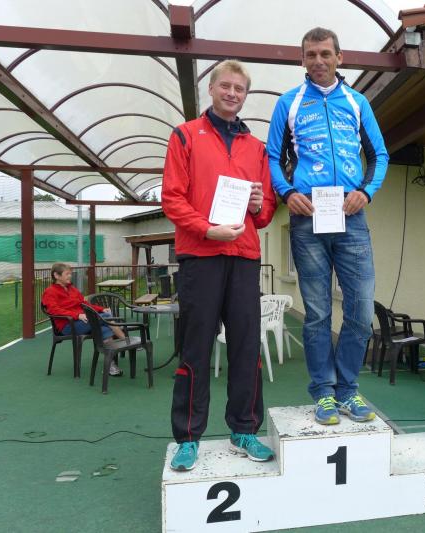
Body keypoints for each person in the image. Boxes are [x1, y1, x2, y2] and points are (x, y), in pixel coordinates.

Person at [266, 27, 389, 425]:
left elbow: (380, 154)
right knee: (317, 313)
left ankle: (348, 390)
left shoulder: (357, 102)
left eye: (324, 53)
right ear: (302, 59)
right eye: (310, 54)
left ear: (339, 57)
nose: (318, 60)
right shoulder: (289, 102)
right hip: (307, 218)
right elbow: (271, 157)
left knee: (361, 309)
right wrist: (287, 192)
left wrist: (366, 191)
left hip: (352, 216)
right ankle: (324, 393)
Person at [161, 59, 277, 471]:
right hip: (201, 256)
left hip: (244, 257)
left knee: (246, 347)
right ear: (210, 89)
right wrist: (207, 230)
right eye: (225, 86)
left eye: (239, 89)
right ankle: (188, 437)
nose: (232, 93)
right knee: (196, 348)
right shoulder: (185, 135)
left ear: (245, 96)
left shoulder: (257, 147)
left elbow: (265, 212)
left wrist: (260, 206)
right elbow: (172, 198)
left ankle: (244, 429)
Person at [41, 262, 126, 376]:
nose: (70, 276)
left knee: (104, 329)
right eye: (67, 274)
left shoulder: (72, 289)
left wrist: (101, 309)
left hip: (83, 322)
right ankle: (126, 342)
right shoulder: (50, 291)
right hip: (68, 326)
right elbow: (53, 310)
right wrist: (76, 315)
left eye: (70, 274)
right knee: (106, 318)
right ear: (56, 275)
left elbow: (84, 304)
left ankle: (110, 366)